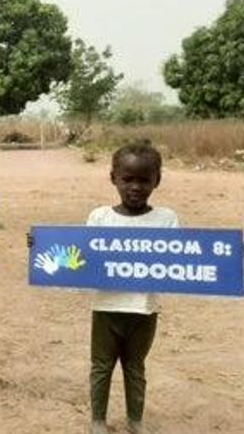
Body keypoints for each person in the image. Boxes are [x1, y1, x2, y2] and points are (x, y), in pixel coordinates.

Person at [85, 141, 178, 434]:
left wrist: (228, 253)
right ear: (113, 178)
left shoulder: (166, 219)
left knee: (135, 368)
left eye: (144, 180)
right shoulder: (99, 217)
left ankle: (135, 420)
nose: (135, 187)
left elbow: (186, 257)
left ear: (157, 180)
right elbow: (81, 257)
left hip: (145, 309)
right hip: (106, 308)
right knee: (101, 367)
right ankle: (98, 421)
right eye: (127, 179)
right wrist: (40, 245)